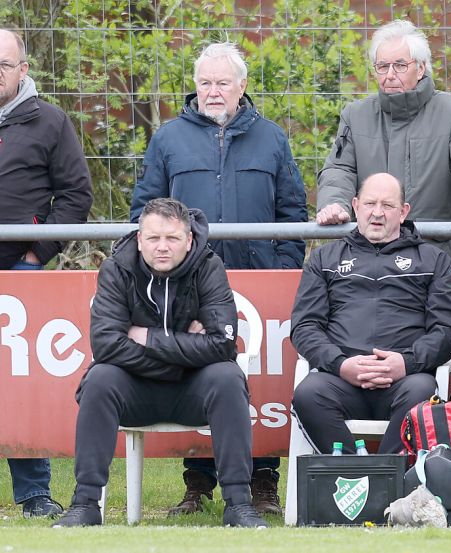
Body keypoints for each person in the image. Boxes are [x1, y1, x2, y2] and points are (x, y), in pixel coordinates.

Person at [129, 42, 308, 516]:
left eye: (222, 83)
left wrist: (281, 269)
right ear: (195, 86)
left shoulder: (272, 138)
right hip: (190, 285)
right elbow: (143, 210)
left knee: (262, 381)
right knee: (199, 376)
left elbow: (293, 212)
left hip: (260, 283)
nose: (212, 92)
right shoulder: (167, 139)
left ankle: (264, 479)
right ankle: (198, 482)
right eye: (205, 82)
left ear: (241, 87)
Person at [54, 198, 266, 528]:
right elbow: (107, 344)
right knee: (100, 378)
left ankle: (239, 505)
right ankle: (85, 505)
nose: (162, 247)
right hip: (135, 390)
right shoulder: (117, 269)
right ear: (139, 240)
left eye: (172, 238)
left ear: (189, 240)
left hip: (194, 391)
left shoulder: (208, 267)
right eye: (153, 239)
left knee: (227, 376)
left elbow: (223, 345)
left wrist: (147, 338)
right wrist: (187, 350)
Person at [291, 173, 451, 454]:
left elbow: (448, 329)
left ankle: (385, 479)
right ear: (355, 206)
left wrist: (406, 363)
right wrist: (341, 364)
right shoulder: (326, 259)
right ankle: (352, 476)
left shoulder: (433, 260)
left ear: (404, 212)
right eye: (370, 204)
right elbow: (305, 326)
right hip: (340, 379)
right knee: (308, 394)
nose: (377, 213)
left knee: (422, 393)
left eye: (388, 205)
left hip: (406, 379)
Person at [315, 19, 451, 268]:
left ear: (421, 68)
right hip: (367, 258)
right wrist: (334, 203)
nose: (390, 75)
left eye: (400, 65)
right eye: (382, 66)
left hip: (434, 258)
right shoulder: (355, 115)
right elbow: (339, 169)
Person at [0, 29, 93, 518]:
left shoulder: (50, 122)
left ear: (23, 70)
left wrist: (36, 254)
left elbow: (77, 196)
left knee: (19, 383)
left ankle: (34, 492)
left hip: (20, 272)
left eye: (3, 64)